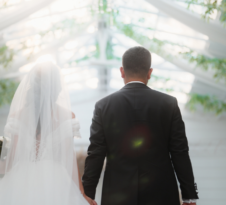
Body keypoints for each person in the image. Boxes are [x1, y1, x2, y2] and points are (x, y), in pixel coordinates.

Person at [82, 46, 199, 205]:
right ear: (150, 73)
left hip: (117, 195)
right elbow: (180, 151)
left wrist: (87, 192)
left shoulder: (103, 106)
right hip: (161, 194)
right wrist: (189, 195)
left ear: (122, 71)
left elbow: (96, 152)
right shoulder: (168, 104)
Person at [0, 62, 96, 205]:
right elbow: (69, 160)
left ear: (31, 86)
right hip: (56, 181)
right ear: (57, 88)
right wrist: (81, 194)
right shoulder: (67, 116)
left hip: (21, 179)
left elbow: (11, 159)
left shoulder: (17, 116)